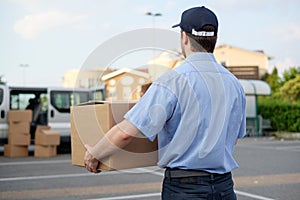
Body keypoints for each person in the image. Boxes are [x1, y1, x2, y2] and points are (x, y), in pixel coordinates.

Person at [84, 6, 246, 199]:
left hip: (184, 189)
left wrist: (94, 154)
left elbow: (126, 133)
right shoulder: (234, 84)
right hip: (224, 188)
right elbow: (234, 137)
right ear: (215, 39)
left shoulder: (173, 81)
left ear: (184, 37)